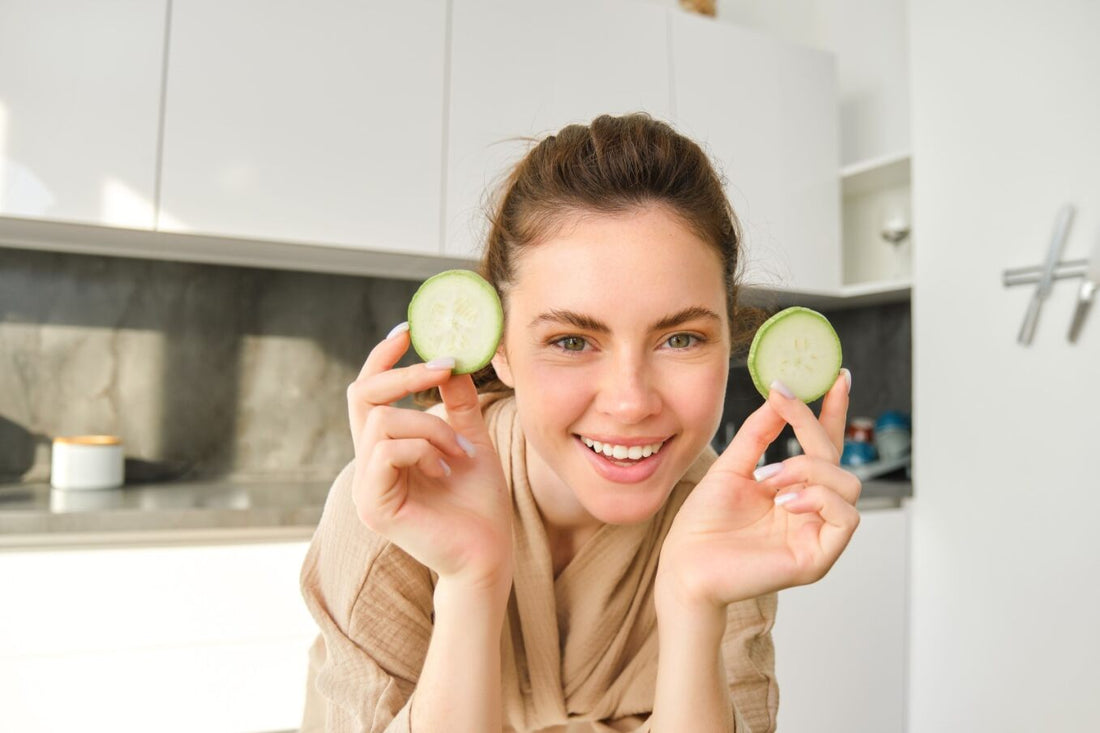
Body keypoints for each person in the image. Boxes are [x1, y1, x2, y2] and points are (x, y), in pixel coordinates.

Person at [299, 113, 860, 732]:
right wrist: (471, 582)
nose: (630, 402)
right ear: (501, 348)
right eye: (570, 341)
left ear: (730, 340)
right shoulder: (398, 505)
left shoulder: (732, 519)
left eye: (679, 338)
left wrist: (694, 604)